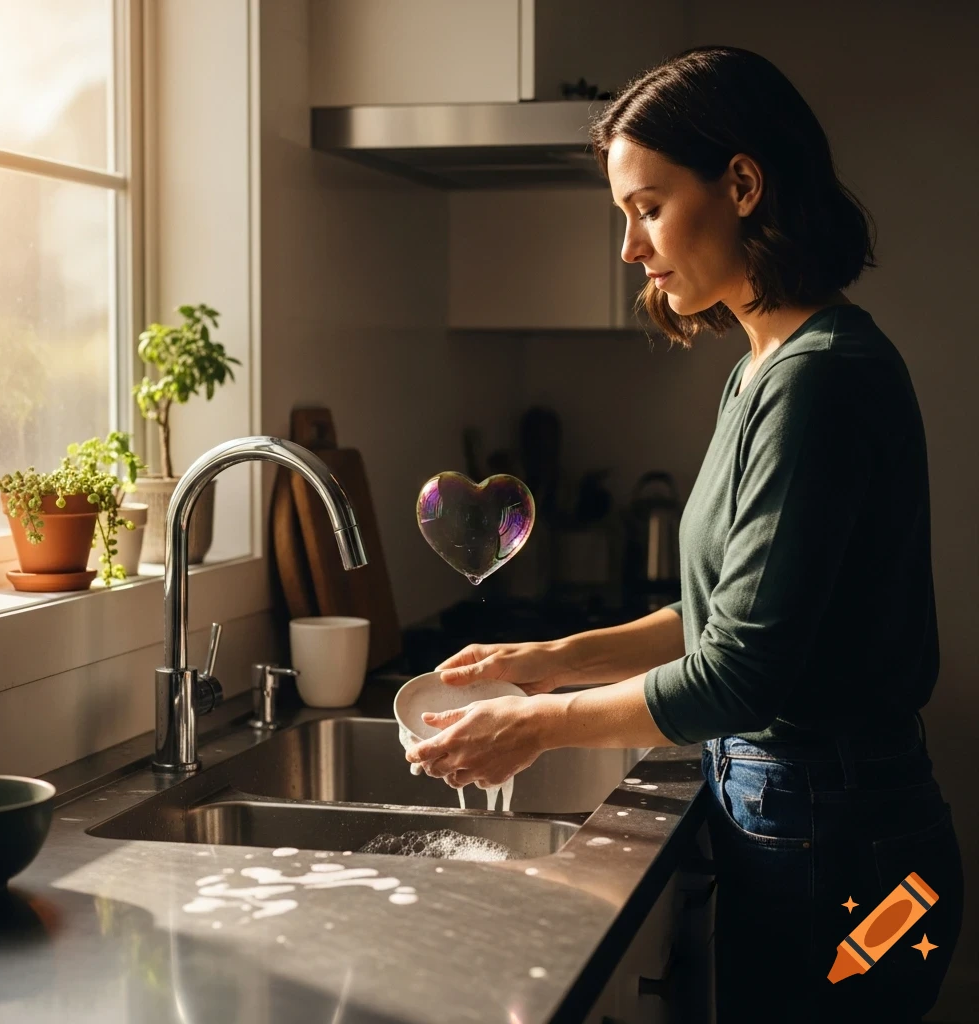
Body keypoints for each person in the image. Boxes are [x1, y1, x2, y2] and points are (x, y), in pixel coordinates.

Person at [404, 45, 964, 1024]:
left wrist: (530, 725)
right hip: (799, 822)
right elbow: (719, 614)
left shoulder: (818, 379)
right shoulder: (763, 366)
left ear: (742, 183)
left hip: (839, 846)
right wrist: (544, 660)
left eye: (647, 207)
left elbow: (737, 676)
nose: (630, 248)